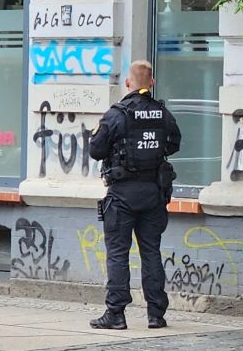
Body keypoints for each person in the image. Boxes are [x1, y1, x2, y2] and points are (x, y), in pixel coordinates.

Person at [88, 60, 181, 330]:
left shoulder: (117, 114)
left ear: (128, 83)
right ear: (151, 83)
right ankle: (156, 314)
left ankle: (115, 314)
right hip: (153, 193)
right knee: (151, 252)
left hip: (122, 194)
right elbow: (174, 143)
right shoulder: (163, 113)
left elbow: (96, 150)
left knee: (118, 253)